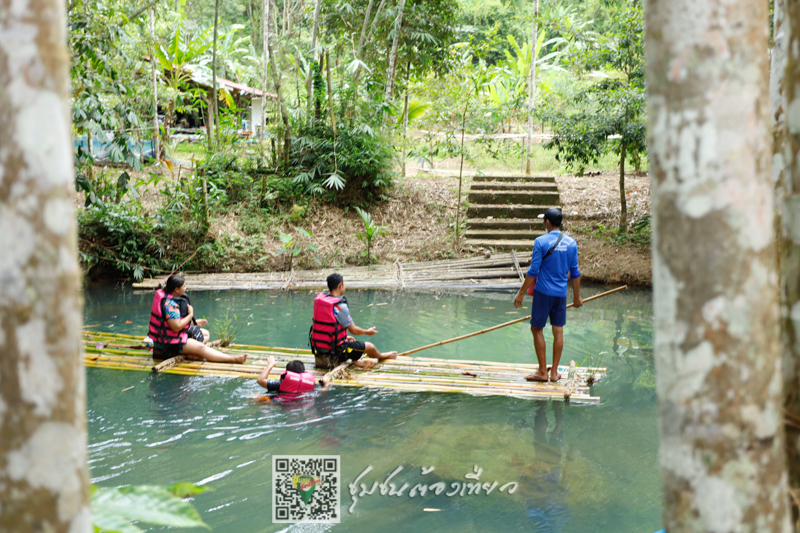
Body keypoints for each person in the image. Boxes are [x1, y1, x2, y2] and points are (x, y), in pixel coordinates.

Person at [513, 208, 582, 382]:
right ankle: (554, 373)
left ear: (547, 223)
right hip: (560, 294)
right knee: (558, 330)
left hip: (543, 293)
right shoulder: (572, 243)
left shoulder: (540, 242)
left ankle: (543, 371)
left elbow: (533, 270)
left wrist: (521, 293)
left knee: (537, 328)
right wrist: (577, 297)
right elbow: (575, 272)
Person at [148, 274, 247, 364]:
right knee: (202, 347)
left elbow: (171, 322)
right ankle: (233, 359)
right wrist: (190, 315)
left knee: (205, 333)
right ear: (176, 289)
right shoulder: (169, 304)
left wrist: (194, 323)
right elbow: (176, 327)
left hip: (173, 336)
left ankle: (191, 353)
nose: (186, 288)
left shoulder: (168, 295)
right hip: (168, 343)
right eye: (184, 286)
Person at [309, 273, 398, 370]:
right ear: (340, 285)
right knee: (370, 346)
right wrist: (367, 332)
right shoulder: (340, 307)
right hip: (335, 351)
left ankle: (356, 361)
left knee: (351, 341)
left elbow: (325, 328)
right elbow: (354, 330)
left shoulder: (322, 302)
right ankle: (381, 356)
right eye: (344, 285)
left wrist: (344, 337)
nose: (345, 287)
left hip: (319, 348)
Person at [257, 356, 329, 393]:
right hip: (300, 404)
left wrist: (270, 365)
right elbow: (323, 391)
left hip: (281, 404)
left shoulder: (281, 383)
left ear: (287, 373)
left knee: (257, 396)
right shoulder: (310, 385)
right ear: (303, 373)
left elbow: (260, 380)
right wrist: (326, 384)